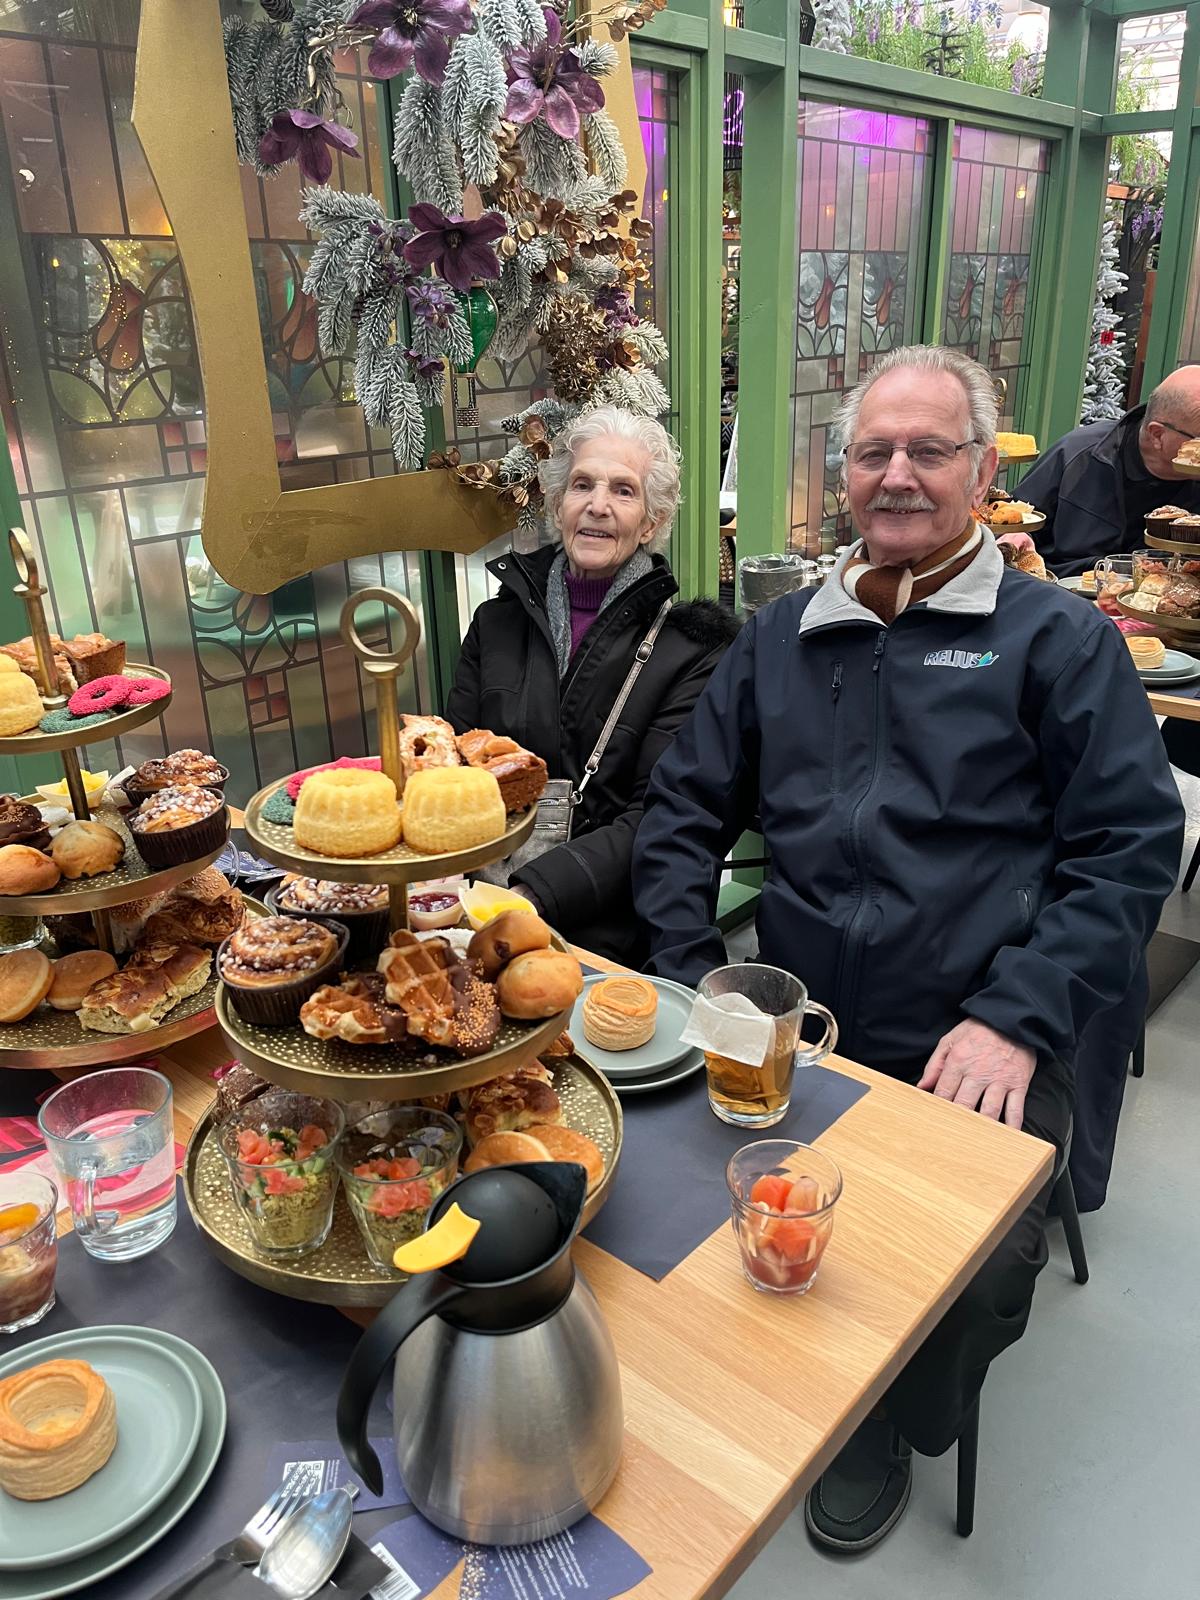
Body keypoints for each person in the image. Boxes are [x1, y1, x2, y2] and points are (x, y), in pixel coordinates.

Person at [632, 346, 1183, 1553]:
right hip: (797, 1023)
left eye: (929, 450)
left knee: (972, 1266)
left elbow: (1131, 849)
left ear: (983, 474)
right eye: (873, 451)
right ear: (843, 475)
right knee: (652, 1183)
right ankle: (750, 1358)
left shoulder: (1055, 639)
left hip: (979, 1024)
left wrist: (1018, 1015)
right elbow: (679, 816)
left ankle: (885, 1411)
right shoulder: (782, 638)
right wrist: (694, 979)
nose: (896, 475)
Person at [446, 406, 738, 966]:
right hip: (476, 905)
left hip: (606, 930)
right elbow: (455, 765)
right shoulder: (495, 624)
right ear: (558, 503)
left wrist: (530, 895)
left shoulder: (690, 651)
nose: (598, 505)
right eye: (582, 484)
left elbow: (656, 814)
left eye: (624, 491)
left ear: (650, 522)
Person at [1019, 365, 1200, 575]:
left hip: (1169, 593)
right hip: (1061, 586)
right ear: (1158, 435)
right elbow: (1016, 525)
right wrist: (1019, 538)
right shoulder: (1078, 455)